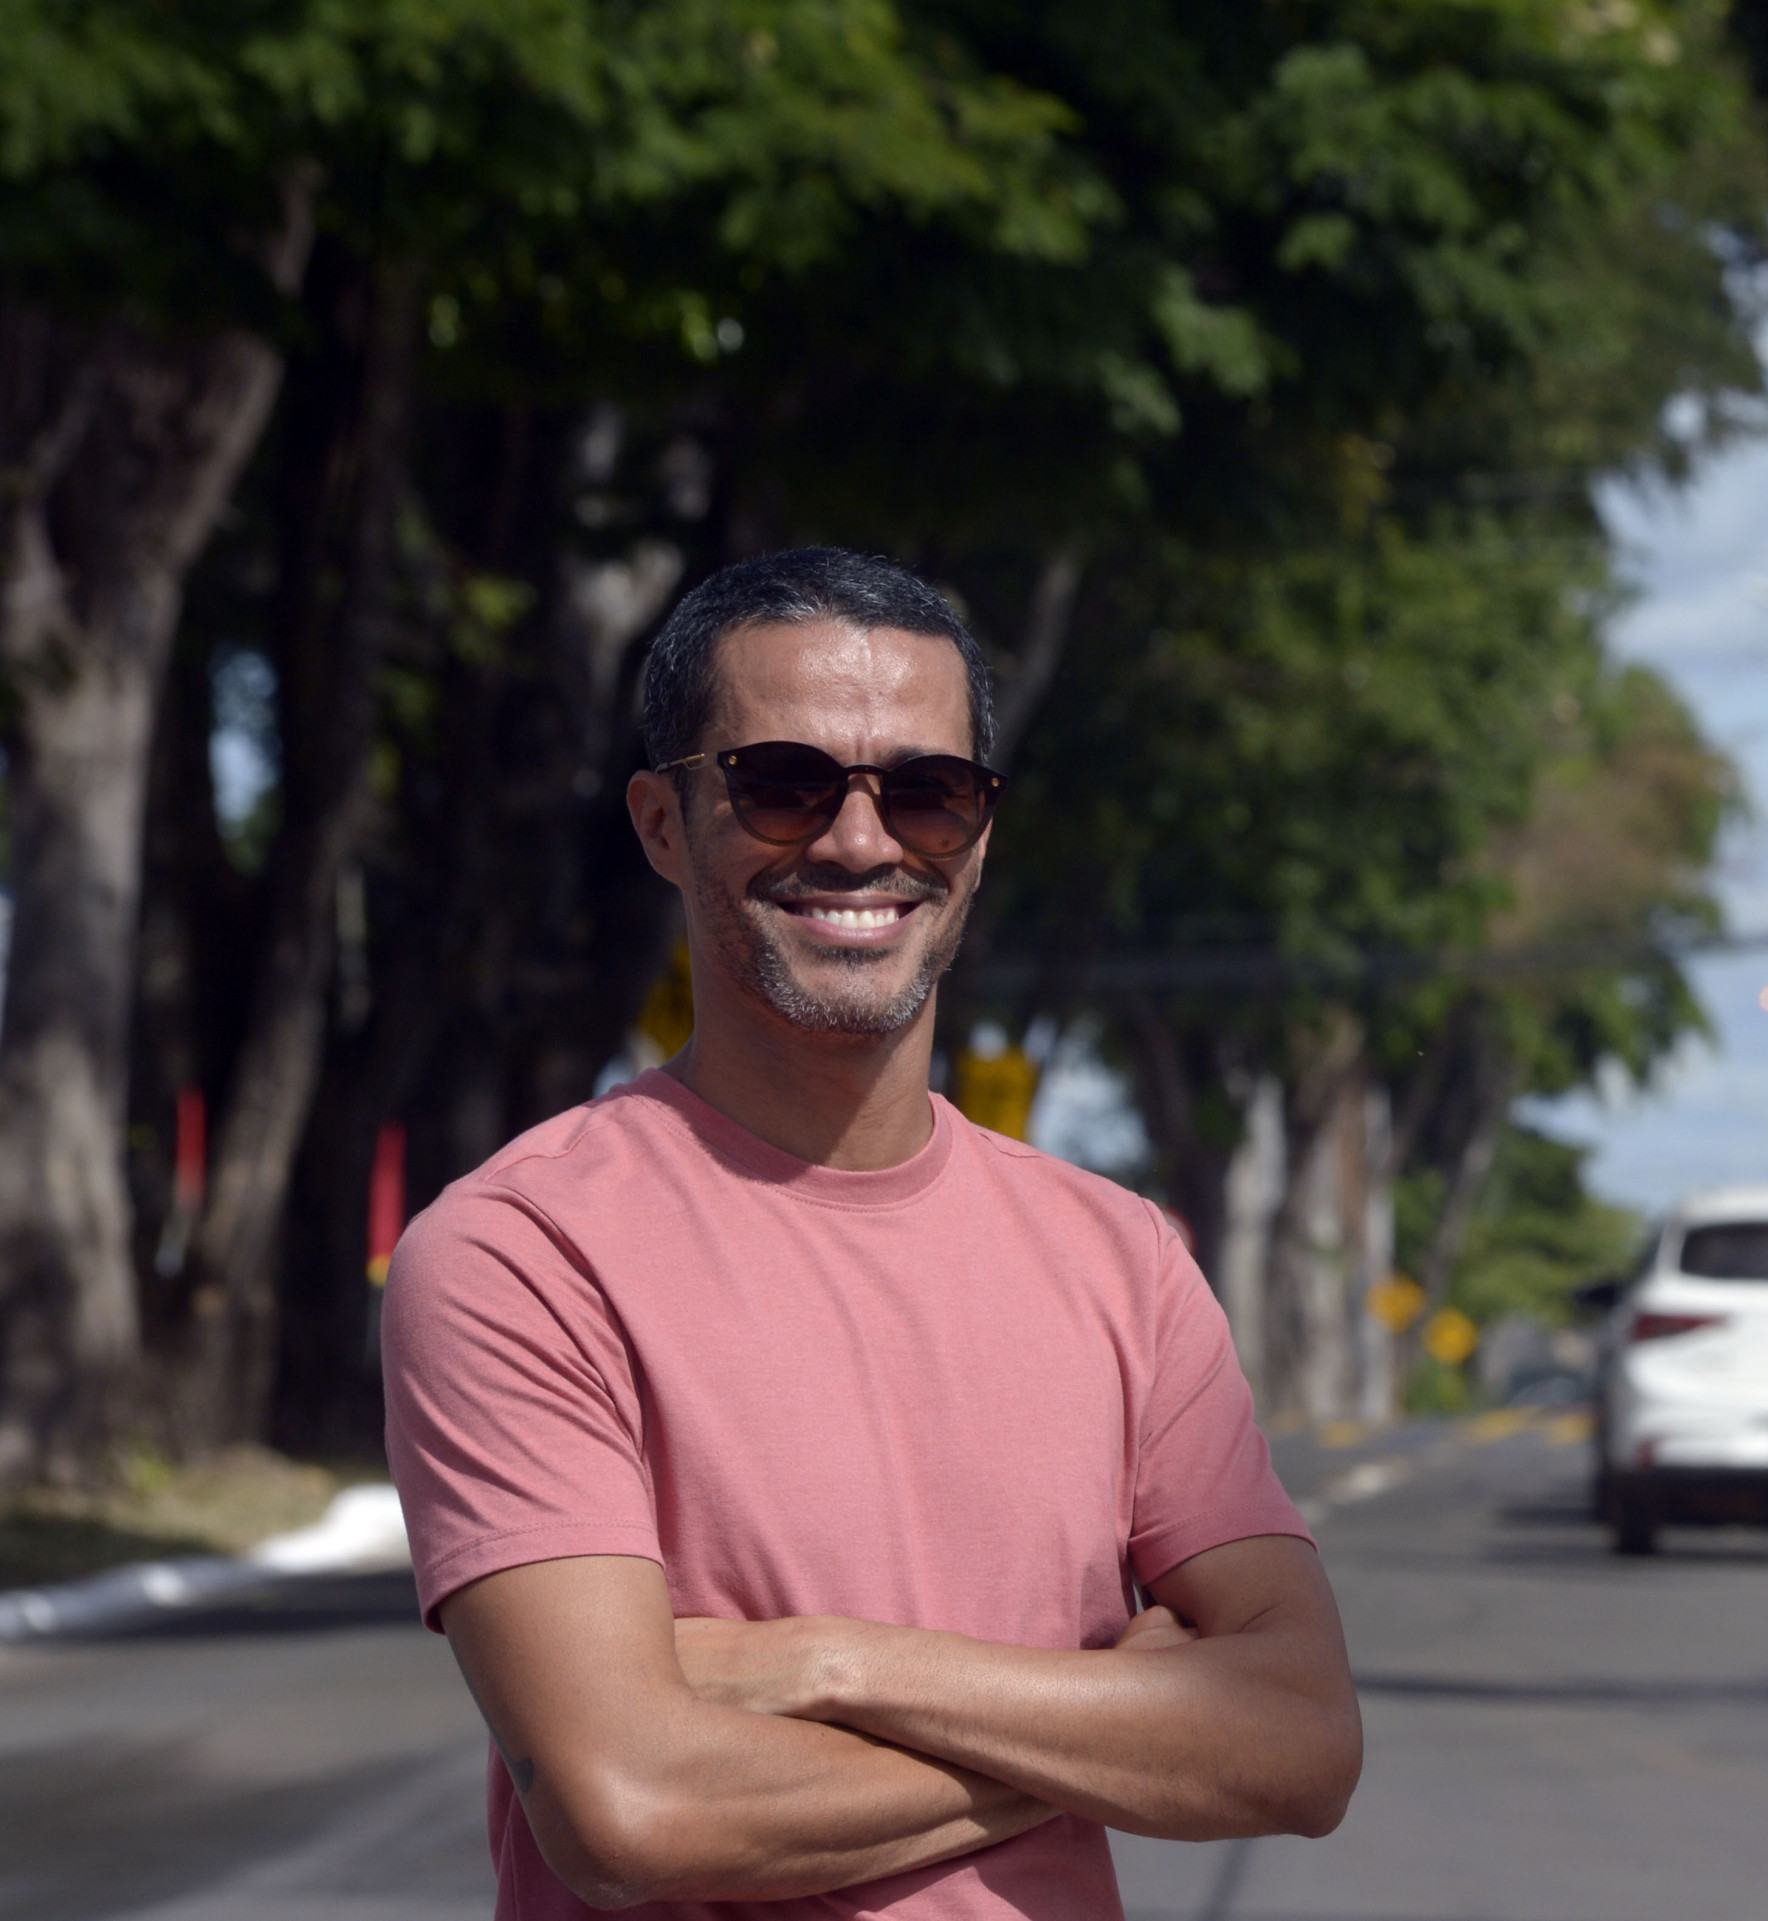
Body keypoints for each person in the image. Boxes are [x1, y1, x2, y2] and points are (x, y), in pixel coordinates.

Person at [380, 548, 1358, 1918]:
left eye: (927, 790)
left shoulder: (1122, 1259)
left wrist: (835, 1663)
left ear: (980, 832)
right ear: (663, 823)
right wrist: (1109, 1721)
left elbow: (1304, 1741)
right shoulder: (524, 1253)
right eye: (783, 784)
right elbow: (634, 1806)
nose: (858, 840)